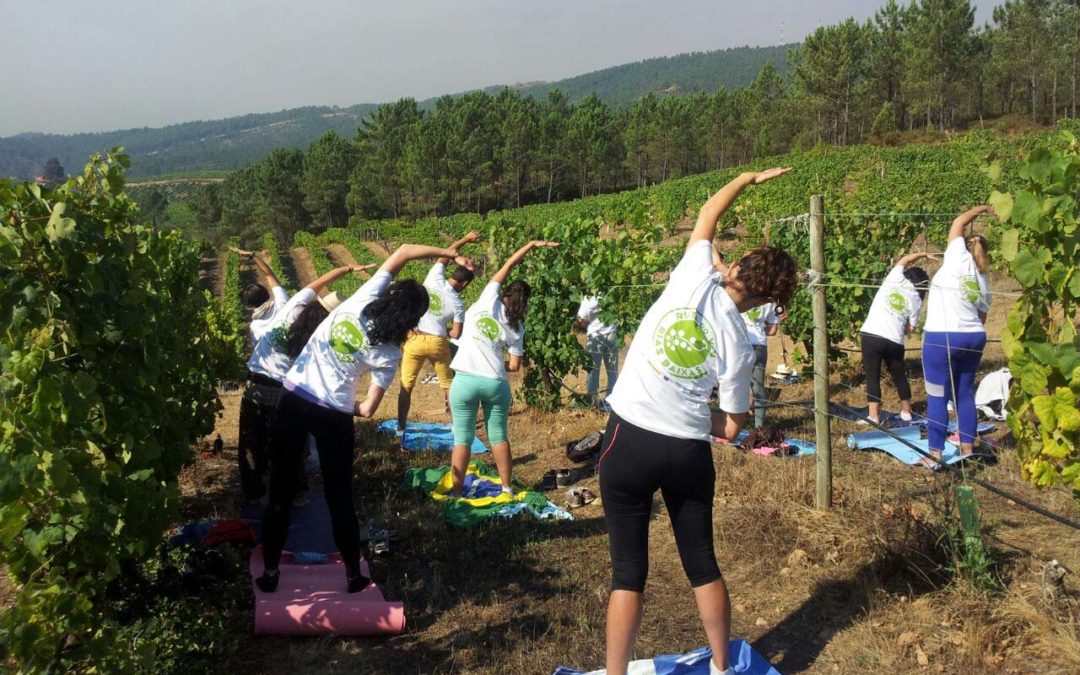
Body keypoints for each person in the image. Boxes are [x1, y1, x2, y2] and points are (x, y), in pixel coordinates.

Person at [598, 169, 798, 675]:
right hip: (687, 450)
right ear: (766, 300)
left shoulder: (691, 277)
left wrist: (747, 178)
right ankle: (721, 667)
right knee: (702, 563)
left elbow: (709, 212)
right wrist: (700, 413)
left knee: (628, 574)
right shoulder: (739, 340)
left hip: (629, 439)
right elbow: (731, 427)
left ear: (738, 266)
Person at [255, 243, 471, 594]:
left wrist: (447, 251)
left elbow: (402, 251)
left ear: (390, 296)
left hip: (293, 399)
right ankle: (354, 576)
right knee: (339, 497)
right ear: (412, 321)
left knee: (280, 491)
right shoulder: (388, 354)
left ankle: (270, 573)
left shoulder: (360, 299)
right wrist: (344, 405)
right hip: (335, 418)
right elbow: (369, 409)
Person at [232, 247, 375, 505]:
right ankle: (295, 494)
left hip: (256, 386)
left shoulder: (290, 305)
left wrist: (347, 269)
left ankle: (253, 494)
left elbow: (318, 282)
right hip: (285, 392)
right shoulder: (320, 339)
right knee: (288, 444)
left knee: (251, 443)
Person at [448, 239, 560, 496]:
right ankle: (507, 488)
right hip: (496, 383)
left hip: (465, 379)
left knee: (462, 439)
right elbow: (515, 365)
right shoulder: (517, 327)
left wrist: (530, 245)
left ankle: (456, 493)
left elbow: (509, 263)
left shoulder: (489, 299)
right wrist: (497, 363)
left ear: (505, 294)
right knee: (498, 436)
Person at [920, 205, 994, 466]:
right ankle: (966, 449)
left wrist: (982, 208)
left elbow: (959, 221)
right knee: (964, 393)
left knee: (937, 394)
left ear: (963, 245)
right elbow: (983, 317)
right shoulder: (983, 280)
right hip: (974, 337)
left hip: (942, 337)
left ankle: (934, 454)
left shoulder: (956, 256)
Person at [397, 231, 480, 431]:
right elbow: (456, 334)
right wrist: (444, 329)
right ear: (466, 284)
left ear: (453, 275)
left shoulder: (434, 278)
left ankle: (401, 426)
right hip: (437, 342)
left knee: (406, 386)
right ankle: (456, 426)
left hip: (415, 338)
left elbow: (446, 253)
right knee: (448, 385)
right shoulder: (458, 303)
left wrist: (465, 240)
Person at [859, 252, 932, 425]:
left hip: (872, 334)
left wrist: (923, 254)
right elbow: (911, 327)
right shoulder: (916, 298)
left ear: (908, 275)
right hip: (895, 340)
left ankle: (874, 416)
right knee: (899, 375)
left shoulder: (895, 278)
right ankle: (906, 412)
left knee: (872, 375)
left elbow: (905, 259)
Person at [576, 294, 619, 408]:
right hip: (612, 334)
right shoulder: (611, 292)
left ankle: (592, 402)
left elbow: (582, 319)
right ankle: (611, 402)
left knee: (593, 370)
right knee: (613, 371)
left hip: (595, 337)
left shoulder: (588, 299)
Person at [231, 247, 288, 325]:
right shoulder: (281, 303)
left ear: (249, 304)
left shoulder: (255, 328)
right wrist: (252, 255)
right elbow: (269, 275)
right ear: (267, 293)